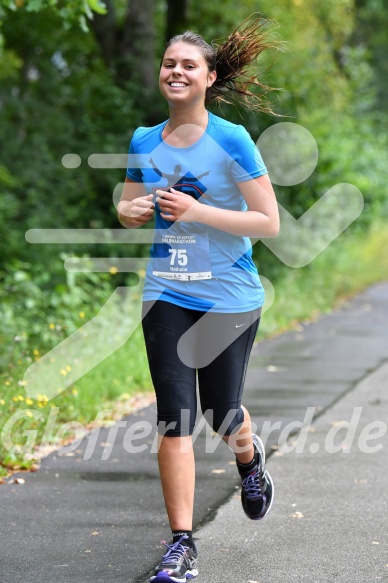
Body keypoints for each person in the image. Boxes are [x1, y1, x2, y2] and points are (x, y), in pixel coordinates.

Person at [118, 16, 280, 583]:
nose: (177, 71)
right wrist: (130, 210)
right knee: (174, 417)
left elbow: (269, 222)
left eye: (189, 64)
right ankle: (182, 545)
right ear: (160, 74)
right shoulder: (143, 139)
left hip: (230, 296)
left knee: (221, 410)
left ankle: (248, 457)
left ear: (209, 77)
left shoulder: (231, 138)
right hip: (167, 290)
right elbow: (132, 203)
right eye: (169, 63)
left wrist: (197, 211)